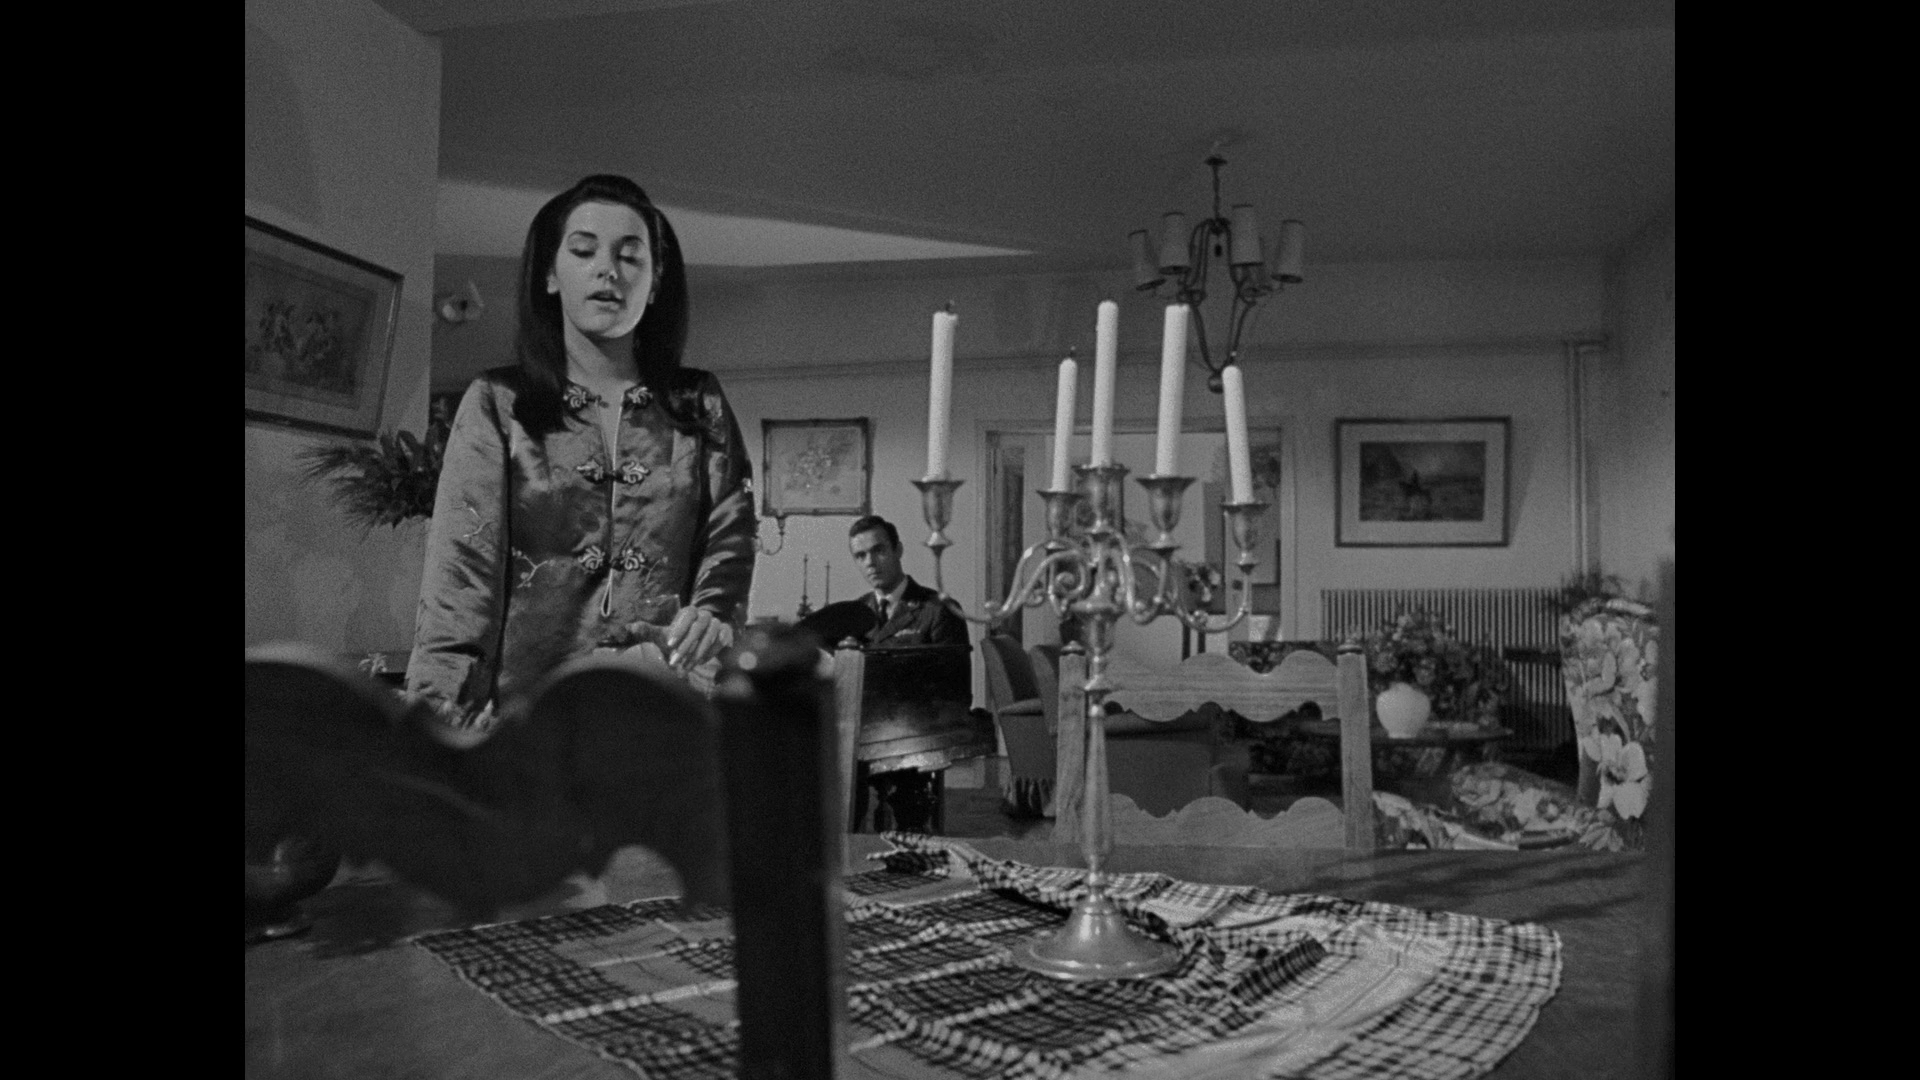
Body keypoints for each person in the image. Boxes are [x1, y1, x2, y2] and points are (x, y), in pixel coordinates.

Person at [405, 174, 757, 730]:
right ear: (550, 274)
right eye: (584, 251)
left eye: (630, 257)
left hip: (669, 709)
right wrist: (439, 727)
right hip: (529, 722)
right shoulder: (500, 402)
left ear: (655, 283)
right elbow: (460, 576)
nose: (608, 271)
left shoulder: (698, 402)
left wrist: (713, 612)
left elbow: (731, 535)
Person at [797, 515, 972, 830]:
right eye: (860, 555)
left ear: (897, 550)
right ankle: (847, 844)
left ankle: (908, 845)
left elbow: (956, 690)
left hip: (916, 734)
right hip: (857, 732)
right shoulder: (852, 614)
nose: (870, 562)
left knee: (904, 797)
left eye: (878, 551)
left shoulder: (938, 609)